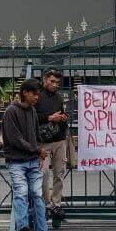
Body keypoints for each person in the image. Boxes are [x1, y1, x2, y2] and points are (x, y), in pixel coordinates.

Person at [2, 79, 52, 231]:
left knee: (37, 195)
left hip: (32, 160)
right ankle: (22, 228)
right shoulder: (11, 111)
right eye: (34, 94)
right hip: (17, 161)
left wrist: (39, 152)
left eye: (38, 94)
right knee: (22, 192)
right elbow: (15, 139)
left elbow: (36, 136)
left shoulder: (32, 111)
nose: (37, 97)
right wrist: (38, 150)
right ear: (24, 92)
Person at [36, 67, 70, 219]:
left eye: (57, 82)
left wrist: (62, 118)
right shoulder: (37, 95)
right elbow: (32, 117)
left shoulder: (59, 97)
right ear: (45, 79)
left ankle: (56, 204)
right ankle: (46, 204)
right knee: (43, 174)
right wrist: (50, 118)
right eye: (52, 81)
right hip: (42, 142)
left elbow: (62, 115)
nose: (55, 85)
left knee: (59, 173)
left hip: (60, 139)